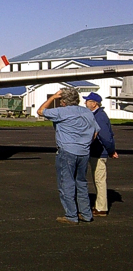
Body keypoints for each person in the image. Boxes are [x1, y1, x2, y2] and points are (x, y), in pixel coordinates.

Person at [38, 88, 101, 224]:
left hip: (67, 151)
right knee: (82, 183)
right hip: (84, 151)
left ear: (64, 101)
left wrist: (53, 97)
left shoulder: (61, 112)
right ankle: (86, 214)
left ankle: (71, 215)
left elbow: (40, 111)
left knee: (66, 184)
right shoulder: (87, 112)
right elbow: (95, 132)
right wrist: (85, 143)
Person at [83, 92, 118, 216]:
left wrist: (111, 151)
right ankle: (99, 205)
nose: (85, 103)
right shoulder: (97, 115)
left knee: (99, 180)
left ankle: (101, 208)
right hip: (96, 152)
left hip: (99, 153)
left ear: (94, 103)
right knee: (98, 179)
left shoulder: (99, 117)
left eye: (87, 101)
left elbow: (106, 137)